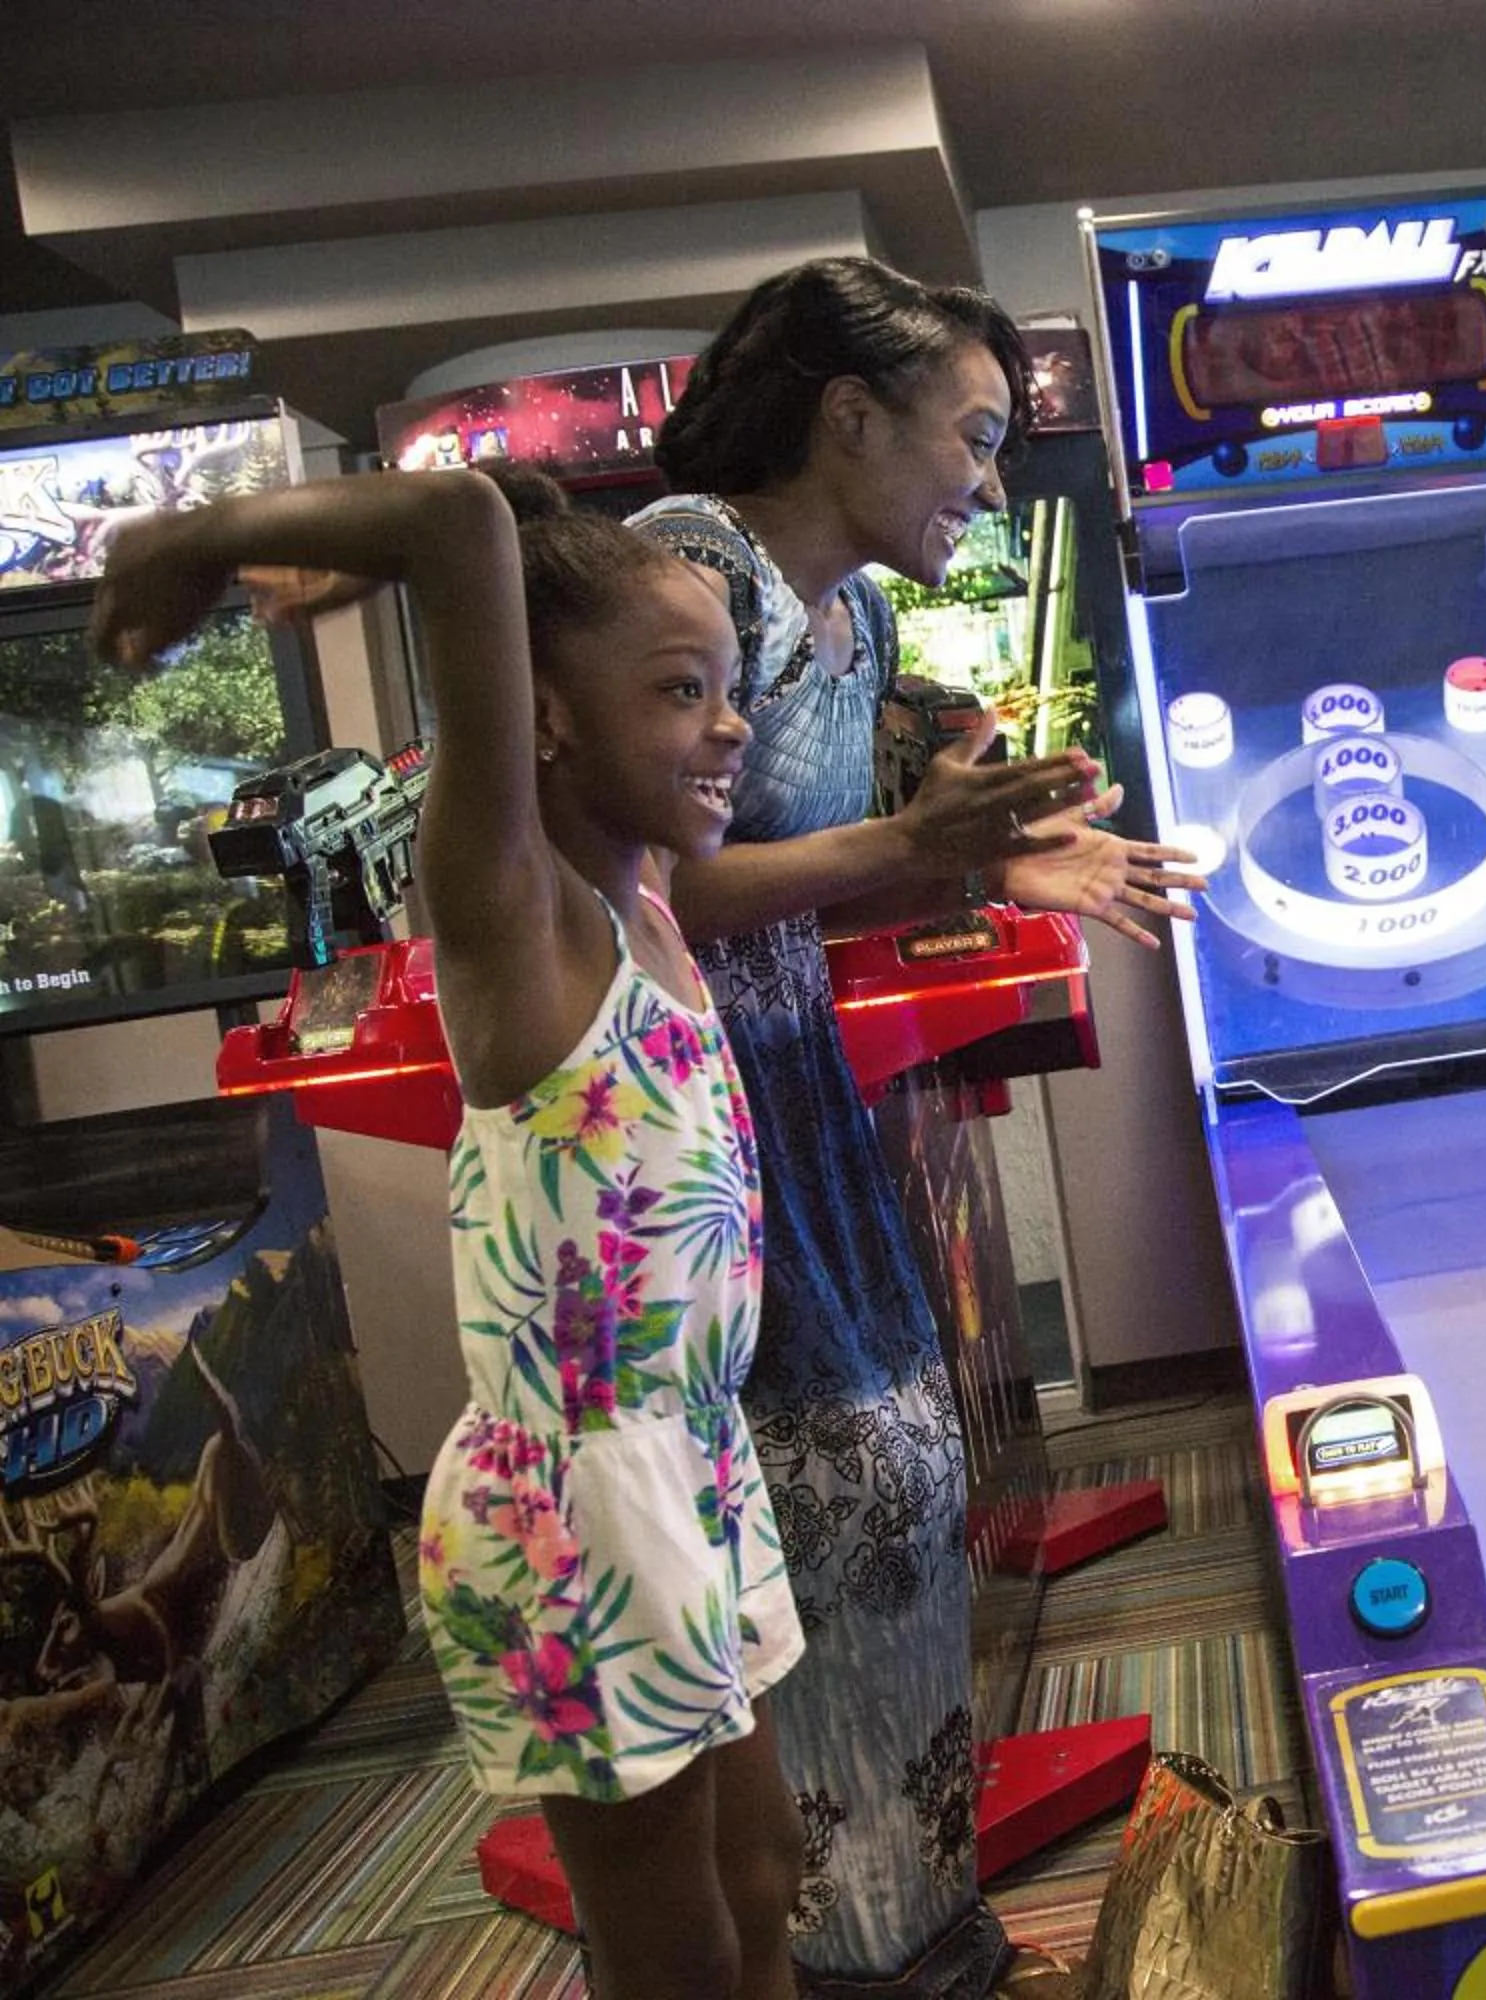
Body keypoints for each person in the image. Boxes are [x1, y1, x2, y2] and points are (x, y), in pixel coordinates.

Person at [93, 462, 810, 1999]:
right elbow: (463, 526)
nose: (730, 725)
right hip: (584, 1499)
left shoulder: (645, 903)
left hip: (694, 1456)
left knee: (765, 1876)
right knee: (672, 1935)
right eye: (680, 690)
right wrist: (205, 536)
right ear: (546, 719)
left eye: (728, 687)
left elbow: (520, 527)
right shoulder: (516, 916)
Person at [632, 257, 1203, 1995]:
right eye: (975, 433)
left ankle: (908, 1920)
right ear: (850, 416)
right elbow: (634, 888)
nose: (993, 480)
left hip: (797, 1096)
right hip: (679, 1125)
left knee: (898, 1485)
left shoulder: (855, 623)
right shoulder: (690, 573)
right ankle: (836, 1947)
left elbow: (809, 888)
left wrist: (990, 864)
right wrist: (915, 846)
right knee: (819, 1512)